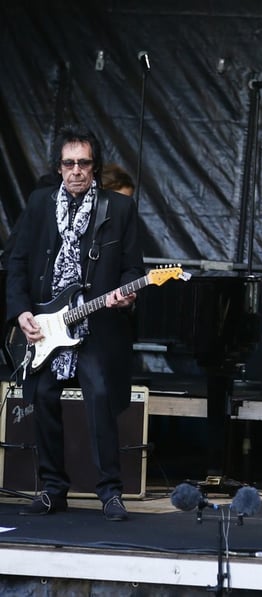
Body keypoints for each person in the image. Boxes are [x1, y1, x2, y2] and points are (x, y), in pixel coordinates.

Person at [6, 127, 143, 520]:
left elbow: (134, 266)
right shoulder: (39, 204)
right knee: (44, 397)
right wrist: (21, 312)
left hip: (94, 326)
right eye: (69, 163)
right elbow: (17, 261)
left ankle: (110, 492)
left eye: (84, 163)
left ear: (95, 167)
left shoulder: (118, 209)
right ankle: (52, 488)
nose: (77, 171)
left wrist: (126, 293)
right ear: (59, 167)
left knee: (99, 395)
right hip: (47, 326)